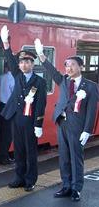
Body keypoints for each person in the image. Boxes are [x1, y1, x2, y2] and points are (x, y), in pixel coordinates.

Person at [34, 38, 99, 201]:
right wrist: (41, 55)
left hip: (77, 126)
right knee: (63, 156)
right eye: (67, 66)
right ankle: (66, 185)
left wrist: (87, 130)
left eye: (72, 65)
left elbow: (92, 110)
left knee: (76, 157)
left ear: (80, 67)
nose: (68, 68)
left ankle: (76, 188)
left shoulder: (91, 86)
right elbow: (51, 70)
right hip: (62, 123)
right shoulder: (63, 80)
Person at [0, 25, 47, 192]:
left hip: (30, 121)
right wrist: (6, 43)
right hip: (16, 119)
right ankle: (19, 177)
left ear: (32, 64)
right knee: (18, 150)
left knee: (30, 152)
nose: (23, 64)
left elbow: (41, 104)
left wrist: (38, 125)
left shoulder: (39, 82)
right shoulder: (18, 75)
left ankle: (30, 179)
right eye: (21, 62)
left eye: (27, 62)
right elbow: (9, 59)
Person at [0, 62, 15, 164]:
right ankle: (3, 157)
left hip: (0, 107)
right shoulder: (13, 79)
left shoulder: (0, 77)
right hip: (9, 108)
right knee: (7, 134)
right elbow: (14, 94)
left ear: (6, 68)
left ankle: (1, 155)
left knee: (3, 132)